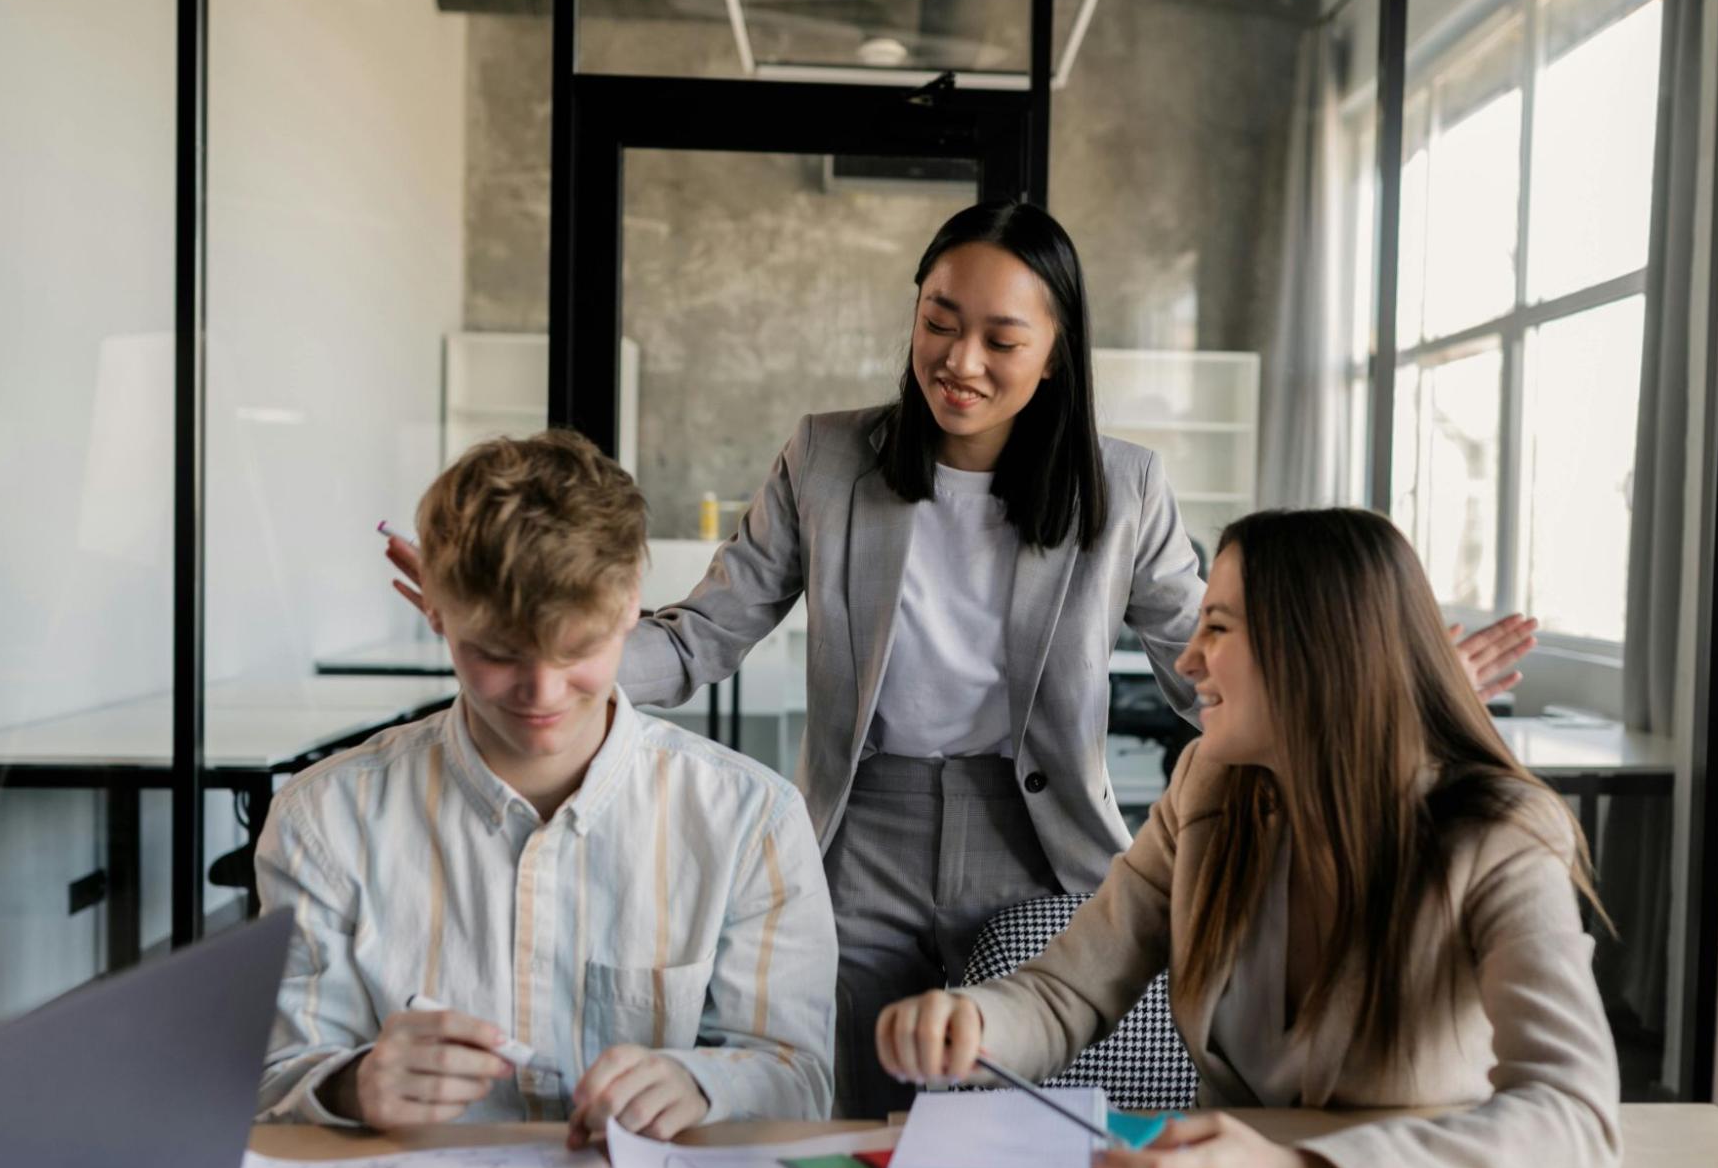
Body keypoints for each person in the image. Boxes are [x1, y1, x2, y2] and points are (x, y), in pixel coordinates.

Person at [387, 202, 1538, 1119]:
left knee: (1021, 1115)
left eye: (1001, 337)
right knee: (848, 1098)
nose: (961, 358)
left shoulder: (1120, 486)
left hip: (1039, 840)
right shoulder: (829, 458)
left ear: (1053, 353)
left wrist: (1383, 671)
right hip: (863, 827)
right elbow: (698, 639)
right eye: (940, 319)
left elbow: (1204, 660)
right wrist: (540, 635)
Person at [876, 507, 1620, 1168]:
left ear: (1315, 649)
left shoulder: (1500, 833)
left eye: (1218, 627)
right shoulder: (1208, 782)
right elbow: (1070, 988)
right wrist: (973, 1023)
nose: (1188, 658)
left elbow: (1572, 1114)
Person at [257, 431, 836, 1143]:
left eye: (579, 650)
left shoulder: (752, 821)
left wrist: (701, 1083)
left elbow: (800, 1076)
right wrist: (353, 1081)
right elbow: (276, 1077)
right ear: (432, 607)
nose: (541, 693)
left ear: (631, 602)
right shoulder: (323, 818)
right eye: (497, 654)